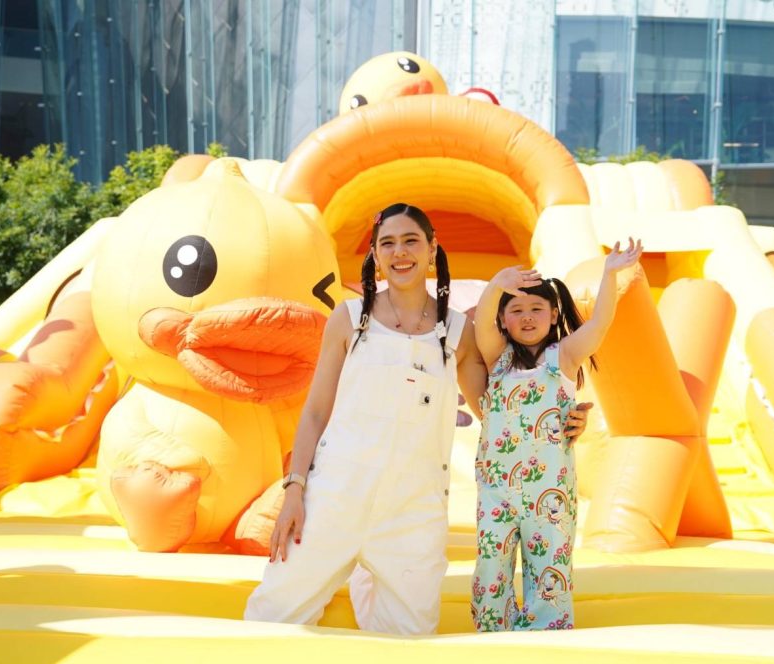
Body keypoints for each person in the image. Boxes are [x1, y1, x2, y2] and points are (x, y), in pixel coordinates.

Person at [243, 203, 591, 634]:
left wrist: (562, 419)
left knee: (409, 640)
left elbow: (499, 411)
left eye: (411, 241)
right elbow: (315, 412)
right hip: (334, 499)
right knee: (272, 618)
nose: (400, 252)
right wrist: (294, 491)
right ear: (375, 254)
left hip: (414, 514)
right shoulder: (348, 320)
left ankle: (369, 583)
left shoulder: (459, 332)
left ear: (432, 249)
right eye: (387, 243)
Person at [470, 238, 642, 632]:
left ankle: (544, 637)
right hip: (497, 491)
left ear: (552, 315)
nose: (527, 317)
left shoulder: (562, 357)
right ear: (503, 320)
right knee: (491, 566)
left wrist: (610, 273)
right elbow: (481, 321)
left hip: (550, 493)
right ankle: (492, 635)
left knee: (550, 569)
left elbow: (599, 324)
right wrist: (497, 285)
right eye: (516, 310)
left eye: (536, 309)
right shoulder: (498, 359)